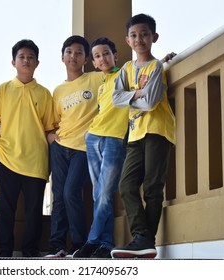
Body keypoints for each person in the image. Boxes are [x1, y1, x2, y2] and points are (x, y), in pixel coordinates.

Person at [110, 13, 176, 259]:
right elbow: (116, 98)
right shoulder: (127, 68)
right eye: (134, 35)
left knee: (152, 187)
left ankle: (145, 242)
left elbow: (151, 104)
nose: (139, 39)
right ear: (128, 40)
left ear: (154, 37)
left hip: (157, 130)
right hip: (135, 133)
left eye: (145, 34)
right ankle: (142, 237)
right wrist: (138, 94)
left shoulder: (156, 66)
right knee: (126, 185)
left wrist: (132, 97)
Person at [0, 39, 54, 258]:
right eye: (21, 57)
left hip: (36, 161)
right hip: (6, 159)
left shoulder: (44, 93)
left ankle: (30, 252)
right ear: (13, 61)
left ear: (37, 63)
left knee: (34, 211)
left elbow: (49, 128)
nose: (26, 60)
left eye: (30, 57)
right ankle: (3, 252)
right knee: (6, 209)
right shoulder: (3, 90)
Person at [44, 35, 104, 258]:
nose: (73, 56)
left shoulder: (96, 79)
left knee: (71, 192)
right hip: (60, 148)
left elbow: (122, 76)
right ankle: (56, 246)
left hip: (84, 147)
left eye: (79, 53)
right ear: (62, 57)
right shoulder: (58, 90)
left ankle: (80, 245)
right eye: (69, 52)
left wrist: (161, 61)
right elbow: (53, 121)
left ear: (86, 59)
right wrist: (51, 137)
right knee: (58, 195)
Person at [72, 37, 129, 259]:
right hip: (93, 138)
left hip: (115, 139)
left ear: (115, 55)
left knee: (105, 192)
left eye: (106, 53)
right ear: (93, 63)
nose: (102, 58)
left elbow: (145, 72)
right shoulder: (103, 83)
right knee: (99, 194)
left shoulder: (125, 74)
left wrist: (162, 61)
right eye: (97, 56)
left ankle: (92, 240)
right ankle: (105, 244)